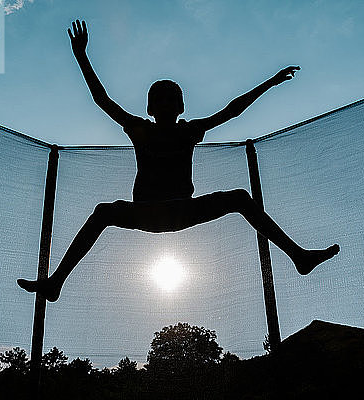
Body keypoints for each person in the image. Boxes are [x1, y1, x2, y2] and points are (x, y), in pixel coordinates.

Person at [18, 20, 339, 302]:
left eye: (171, 98)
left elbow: (233, 109)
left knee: (241, 198)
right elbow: (102, 100)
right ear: (151, 107)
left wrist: (270, 82)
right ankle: (56, 282)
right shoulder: (141, 129)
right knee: (104, 211)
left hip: (180, 209)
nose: (167, 103)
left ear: (180, 106)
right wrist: (81, 56)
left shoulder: (188, 131)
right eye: (161, 99)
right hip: (147, 211)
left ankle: (298, 256)